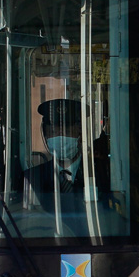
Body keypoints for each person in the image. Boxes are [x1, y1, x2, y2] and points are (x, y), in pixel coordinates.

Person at [22, 97, 113, 238]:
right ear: (45, 135)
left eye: (67, 130)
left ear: (80, 133)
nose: (61, 137)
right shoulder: (32, 179)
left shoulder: (103, 173)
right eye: (54, 131)